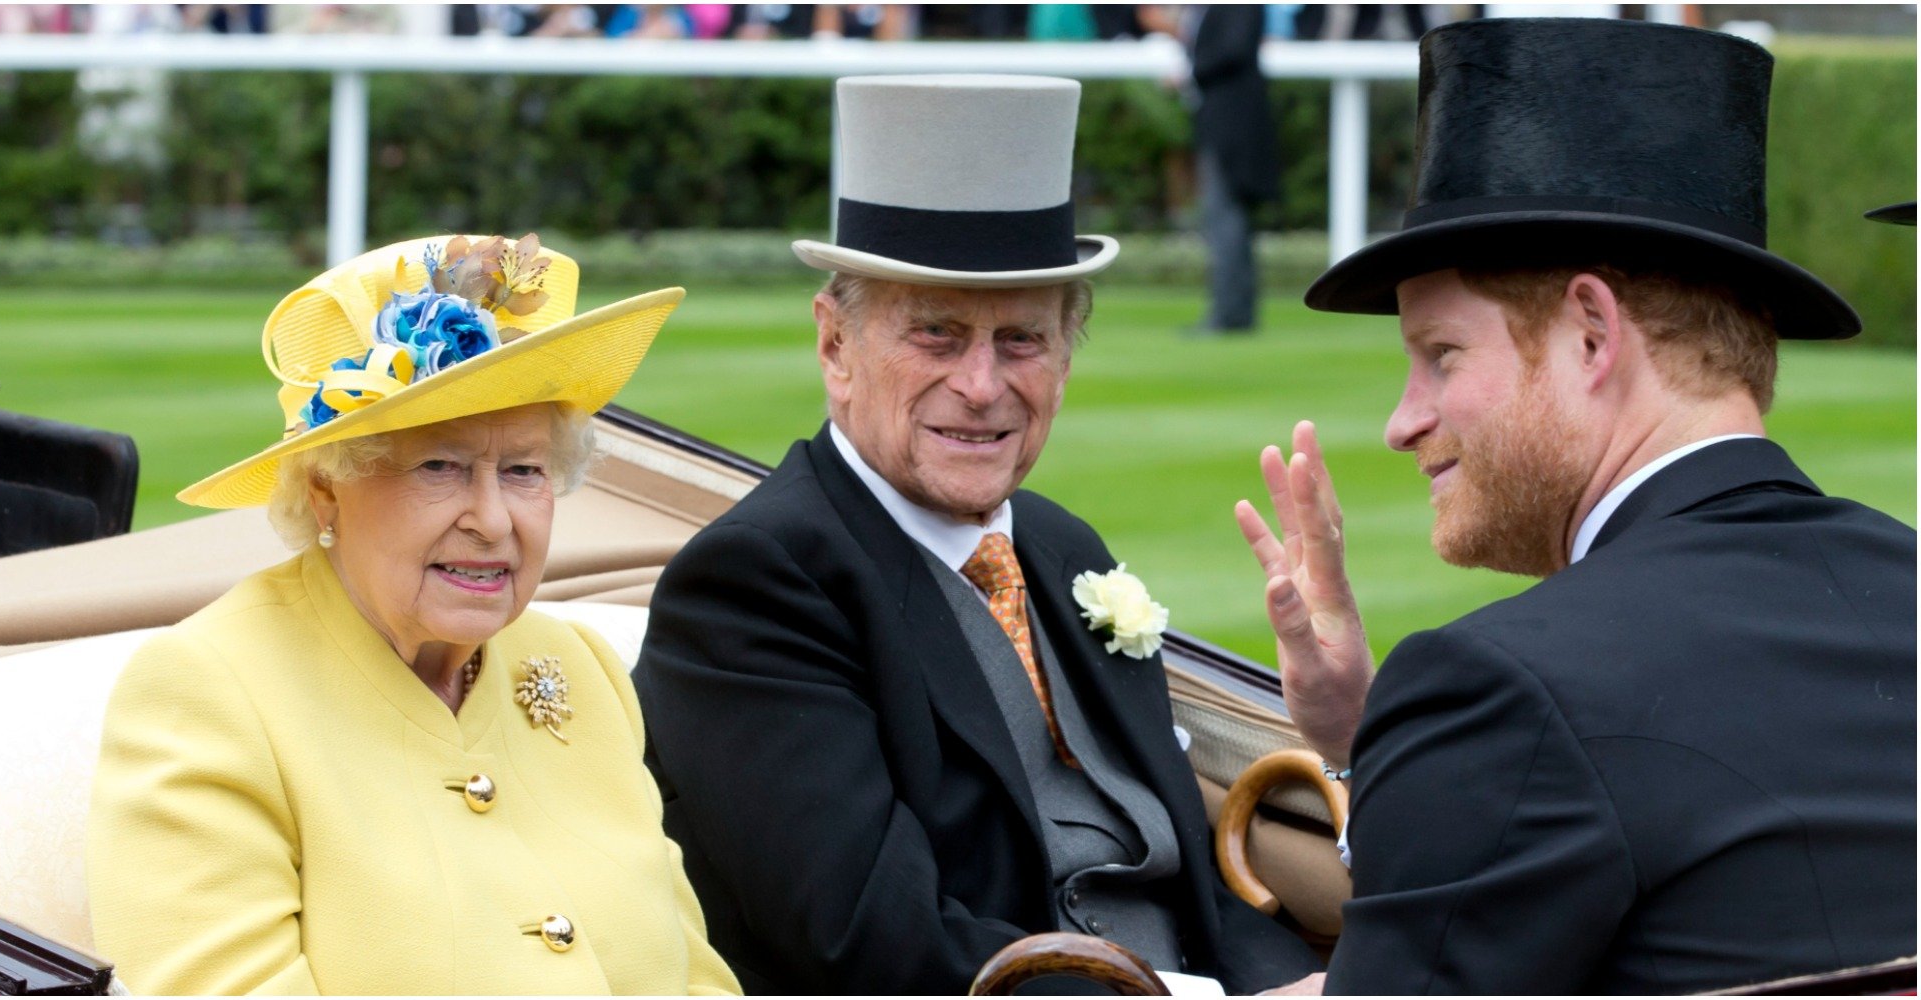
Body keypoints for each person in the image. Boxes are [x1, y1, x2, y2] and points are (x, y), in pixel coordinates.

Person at [1237, 18, 1917, 994]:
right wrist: (1367, 741)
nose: (1400, 421)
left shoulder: (1499, 690)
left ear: (1591, 335)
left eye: (1440, 355)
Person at [631, 75, 1320, 995]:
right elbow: (871, 944)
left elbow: (1190, 878)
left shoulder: (1062, 545)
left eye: (1023, 341)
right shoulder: (755, 585)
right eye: (937, 335)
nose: (984, 384)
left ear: (1067, 361)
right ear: (836, 347)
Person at [86, 234, 741, 995]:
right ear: (327, 486)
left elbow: (698, 979)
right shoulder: (206, 696)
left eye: (524, 470)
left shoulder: (582, 668)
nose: (494, 520)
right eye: (442, 467)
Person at [1182, 4, 1281, 335]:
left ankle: (1230, 314)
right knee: (1226, 220)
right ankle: (1234, 311)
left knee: (1225, 219)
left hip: (1231, 126)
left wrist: (1192, 68)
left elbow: (1231, 50)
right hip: (1226, 122)